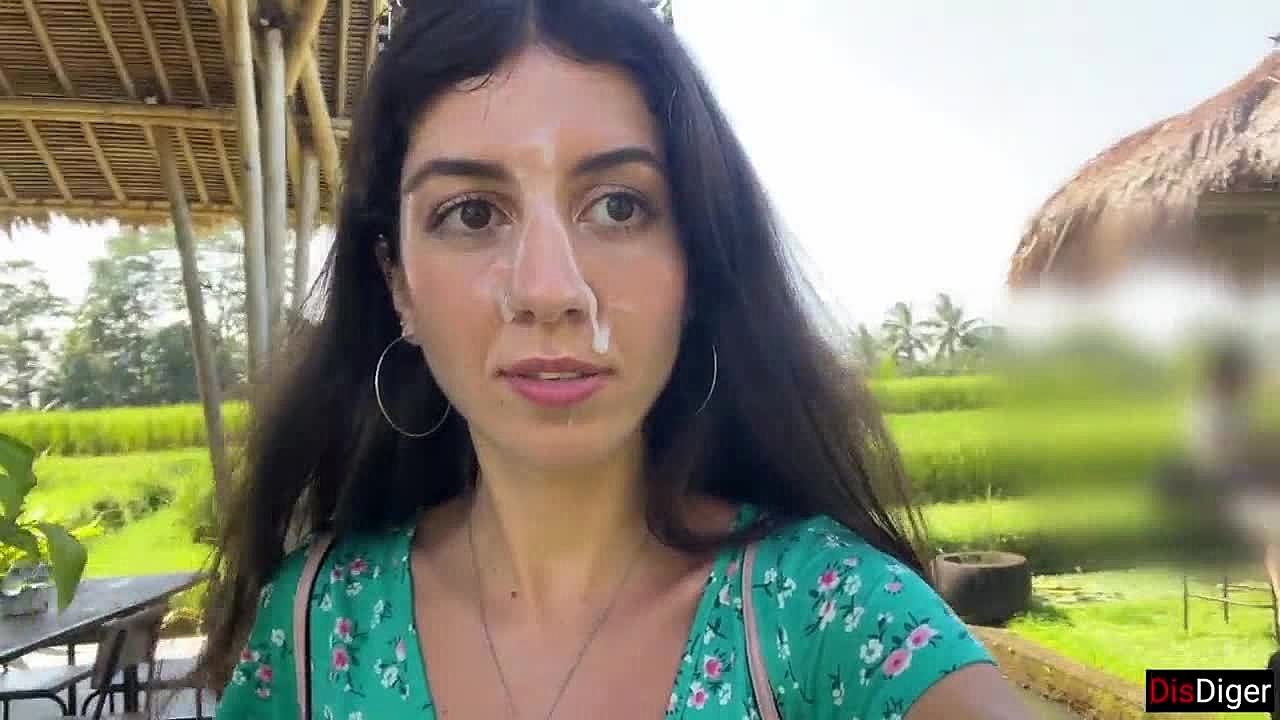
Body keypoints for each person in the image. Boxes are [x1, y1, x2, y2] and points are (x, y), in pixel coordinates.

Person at [200, 1, 1029, 718]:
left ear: (694, 264)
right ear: (398, 286)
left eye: (619, 206)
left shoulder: (828, 618)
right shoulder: (313, 628)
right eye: (472, 213)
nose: (550, 290)